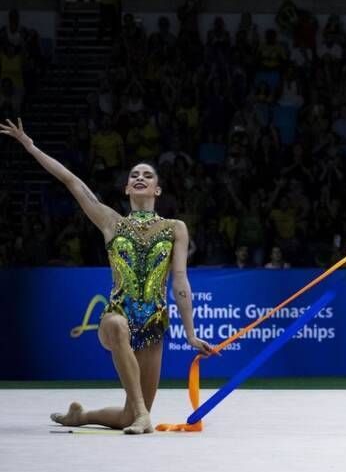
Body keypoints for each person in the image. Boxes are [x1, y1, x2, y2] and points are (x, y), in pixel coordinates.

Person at [1, 119, 215, 433]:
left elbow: (180, 280)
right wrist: (32, 147)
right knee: (117, 328)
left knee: (127, 416)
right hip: (116, 317)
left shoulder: (175, 229)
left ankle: (82, 416)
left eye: (148, 175)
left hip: (154, 325)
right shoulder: (111, 222)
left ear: (157, 189)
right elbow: (72, 182)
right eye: (134, 175)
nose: (140, 178)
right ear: (127, 188)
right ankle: (144, 415)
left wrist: (191, 333)